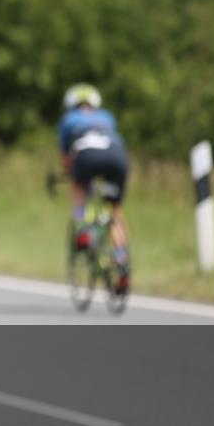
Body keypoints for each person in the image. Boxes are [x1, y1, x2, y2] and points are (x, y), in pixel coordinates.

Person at [58, 83, 131, 294]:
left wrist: (69, 172)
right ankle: (121, 260)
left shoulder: (69, 120)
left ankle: (82, 228)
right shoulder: (107, 116)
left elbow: (66, 159)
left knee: (77, 185)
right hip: (117, 157)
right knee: (114, 211)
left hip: (87, 155)